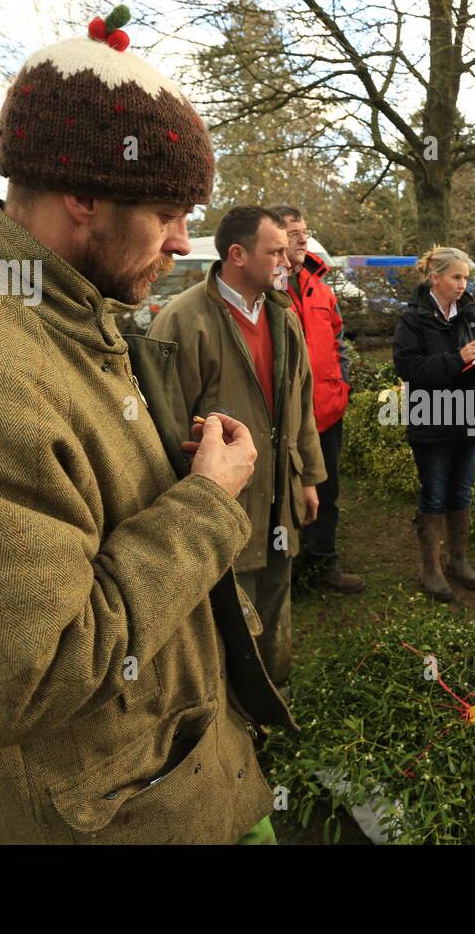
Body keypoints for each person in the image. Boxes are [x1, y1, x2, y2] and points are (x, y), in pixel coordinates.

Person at [0, 11, 292, 844]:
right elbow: (23, 678)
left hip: (165, 778)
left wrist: (164, 474)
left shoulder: (55, 315)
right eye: (168, 212)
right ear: (83, 197)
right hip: (112, 817)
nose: (184, 242)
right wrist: (204, 504)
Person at [149, 206, 325, 690]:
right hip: (220, 502)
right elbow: (163, 424)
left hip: (279, 490)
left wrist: (308, 478)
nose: (287, 261)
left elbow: (302, 404)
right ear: (237, 255)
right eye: (274, 252)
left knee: (275, 594)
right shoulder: (183, 321)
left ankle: (276, 695)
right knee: (228, 609)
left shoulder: (283, 318)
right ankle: (230, 714)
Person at [393, 246, 475, 601]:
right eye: (456, 277)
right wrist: (456, 359)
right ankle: (431, 568)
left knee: (461, 492)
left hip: (468, 415)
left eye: (466, 278)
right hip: (430, 418)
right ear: (436, 278)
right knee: (434, 493)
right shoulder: (413, 319)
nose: (463, 284)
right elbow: (409, 368)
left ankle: (458, 561)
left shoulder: (473, 315)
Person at [267, 204, 364, 593]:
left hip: (325, 412)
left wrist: (342, 385)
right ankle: (282, 571)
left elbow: (339, 340)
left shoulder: (320, 286)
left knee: (327, 491)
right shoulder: (267, 286)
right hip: (280, 415)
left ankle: (324, 563)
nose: (303, 238)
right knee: (279, 492)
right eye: (293, 233)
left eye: (304, 231)